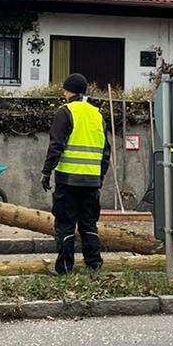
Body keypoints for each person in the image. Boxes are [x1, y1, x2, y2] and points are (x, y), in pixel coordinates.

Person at [40, 73, 109, 274]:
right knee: (88, 224)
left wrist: (46, 172)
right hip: (92, 182)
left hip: (68, 180)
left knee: (65, 224)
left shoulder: (65, 112)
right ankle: (94, 265)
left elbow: (56, 146)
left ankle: (64, 268)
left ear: (68, 91)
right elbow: (106, 151)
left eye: (64, 89)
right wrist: (100, 177)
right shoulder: (97, 114)